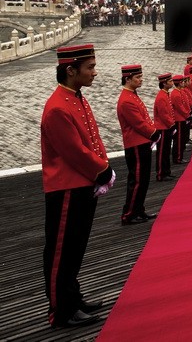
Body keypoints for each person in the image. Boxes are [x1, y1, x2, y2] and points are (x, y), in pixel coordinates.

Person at [41, 44, 114, 329]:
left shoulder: (75, 98)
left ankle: (73, 298)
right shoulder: (57, 108)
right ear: (71, 71)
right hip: (66, 188)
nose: (95, 73)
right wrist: (103, 170)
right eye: (90, 68)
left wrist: (102, 166)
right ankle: (61, 310)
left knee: (76, 248)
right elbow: (74, 152)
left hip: (82, 184)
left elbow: (93, 138)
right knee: (61, 251)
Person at [117, 64, 160, 225]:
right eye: (138, 77)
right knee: (137, 180)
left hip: (142, 143)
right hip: (135, 144)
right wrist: (154, 133)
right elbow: (139, 124)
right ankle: (129, 214)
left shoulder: (132, 95)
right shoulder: (126, 99)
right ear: (128, 79)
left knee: (143, 179)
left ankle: (138, 210)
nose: (141, 80)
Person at [153, 72, 175, 181]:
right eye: (170, 81)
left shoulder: (165, 94)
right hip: (163, 128)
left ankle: (166, 172)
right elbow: (164, 114)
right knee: (162, 152)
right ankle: (161, 174)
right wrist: (172, 125)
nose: (172, 83)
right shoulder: (162, 96)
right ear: (164, 83)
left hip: (166, 127)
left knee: (166, 151)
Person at [170, 74, 192, 164]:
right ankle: (178, 158)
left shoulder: (179, 92)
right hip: (179, 119)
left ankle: (180, 156)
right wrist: (187, 115)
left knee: (181, 139)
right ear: (179, 83)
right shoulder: (176, 94)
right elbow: (180, 107)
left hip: (182, 118)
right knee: (178, 140)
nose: (184, 83)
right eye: (182, 81)